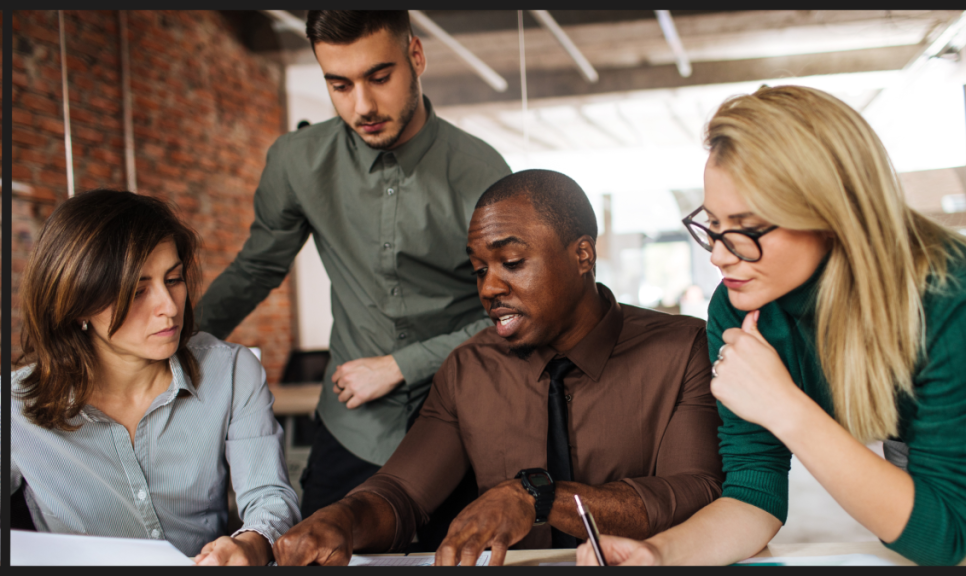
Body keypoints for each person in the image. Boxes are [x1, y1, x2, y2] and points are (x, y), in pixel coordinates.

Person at [577, 85, 966, 567]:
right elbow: (753, 493)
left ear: (829, 215)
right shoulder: (743, 306)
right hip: (921, 435)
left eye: (744, 227)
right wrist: (659, 553)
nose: (720, 254)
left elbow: (942, 531)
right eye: (714, 225)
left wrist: (784, 406)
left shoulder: (953, 291)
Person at [272, 169, 724, 566]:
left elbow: (696, 493)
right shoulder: (469, 368)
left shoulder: (681, 348)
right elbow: (402, 494)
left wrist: (538, 498)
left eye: (511, 263)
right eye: (478, 269)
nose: (488, 288)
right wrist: (342, 518)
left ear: (583, 256)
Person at [194, 10, 512, 535]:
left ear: (416, 56)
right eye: (339, 85)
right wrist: (171, 345)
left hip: (464, 424)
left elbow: (511, 316)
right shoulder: (296, 162)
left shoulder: (483, 174)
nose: (361, 106)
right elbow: (254, 271)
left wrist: (400, 365)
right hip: (352, 430)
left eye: (379, 78)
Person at [10, 190, 300, 565]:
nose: (168, 306)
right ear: (78, 302)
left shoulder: (231, 370)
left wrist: (251, 543)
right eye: (137, 291)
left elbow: (269, 498)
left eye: (174, 278)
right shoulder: (15, 406)